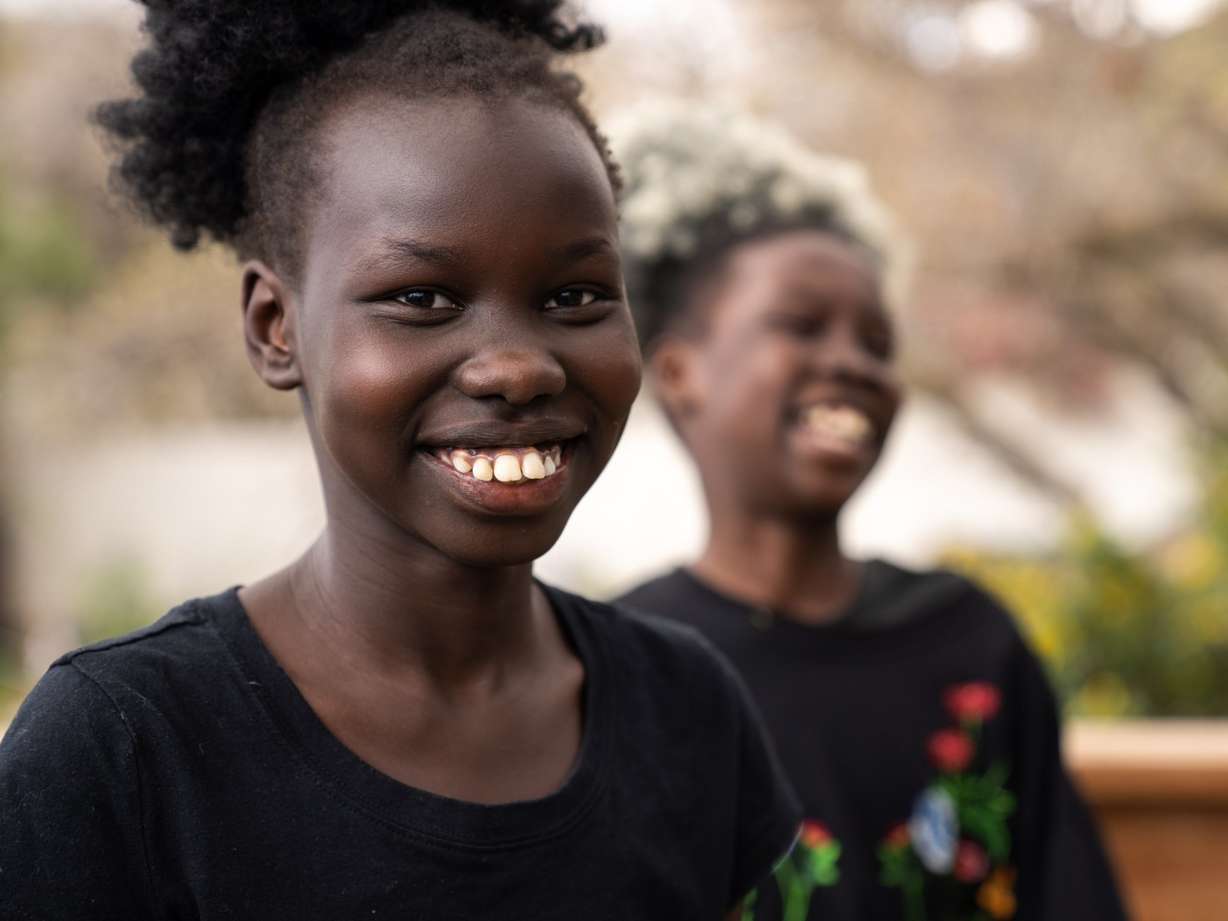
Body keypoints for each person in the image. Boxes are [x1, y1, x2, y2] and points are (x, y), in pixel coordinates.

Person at [0, 10, 799, 918]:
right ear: (276, 327)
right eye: (421, 296)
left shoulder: (688, 710)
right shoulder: (121, 751)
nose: (520, 366)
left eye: (575, 294)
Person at [613, 102, 1128, 921]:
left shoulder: (972, 642)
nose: (852, 363)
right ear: (680, 371)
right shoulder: (620, 671)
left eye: (877, 342)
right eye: (802, 325)